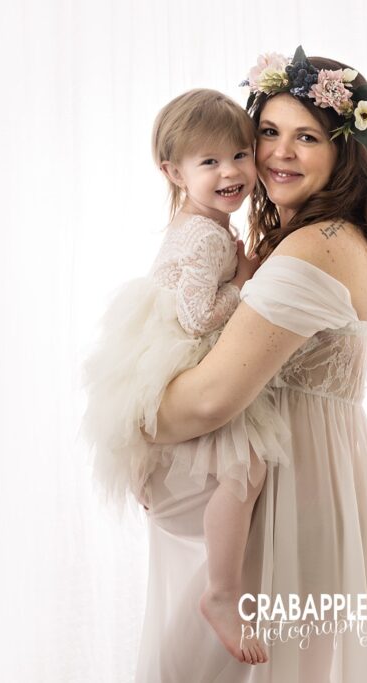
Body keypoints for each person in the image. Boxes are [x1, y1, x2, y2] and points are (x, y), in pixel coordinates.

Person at [138, 47, 367, 682]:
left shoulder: (316, 246)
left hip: (299, 495)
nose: (279, 152)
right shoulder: (312, 239)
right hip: (301, 484)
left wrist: (137, 426)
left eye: (306, 137)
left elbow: (210, 400)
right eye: (267, 133)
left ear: (344, 151)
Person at [79, 88, 292, 666]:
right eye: (209, 162)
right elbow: (198, 314)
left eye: (240, 156)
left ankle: (162, 491)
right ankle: (221, 594)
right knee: (243, 472)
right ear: (173, 171)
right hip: (182, 355)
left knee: (230, 467)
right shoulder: (203, 234)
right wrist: (249, 285)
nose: (230, 172)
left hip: (177, 355)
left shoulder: (206, 224)